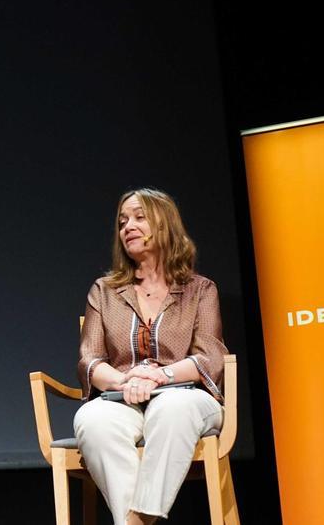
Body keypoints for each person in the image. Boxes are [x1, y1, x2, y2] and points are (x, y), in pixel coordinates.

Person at [72, 188, 228, 525]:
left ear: (165, 224)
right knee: (92, 421)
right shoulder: (104, 291)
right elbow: (90, 360)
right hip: (122, 398)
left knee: (172, 408)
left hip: (186, 397)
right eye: (123, 221)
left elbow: (210, 354)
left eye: (139, 217)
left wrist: (160, 376)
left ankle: (134, 522)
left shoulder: (200, 290)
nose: (128, 226)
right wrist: (124, 379)